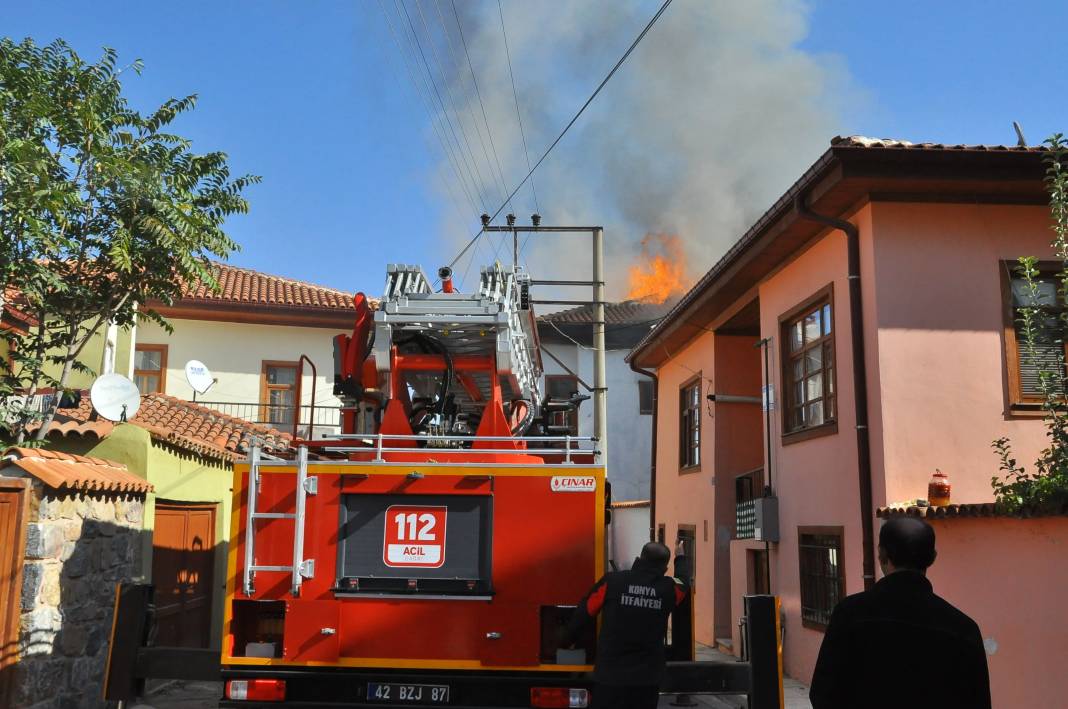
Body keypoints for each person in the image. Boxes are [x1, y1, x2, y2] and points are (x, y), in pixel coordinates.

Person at [809, 517, 991, 709]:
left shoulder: (849, 614)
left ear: (882, 555)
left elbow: (823, 693)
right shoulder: (963, 629)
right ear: (932, 557)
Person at [562, 541, 689, 709]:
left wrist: (565, 642)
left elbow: (584, 613)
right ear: (664, 569)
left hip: (610, 678)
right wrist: (680, 557)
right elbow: (683, 581)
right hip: (647, 681)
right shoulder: (669, 590)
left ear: (639, 558)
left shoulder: (612, 581)